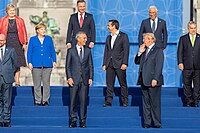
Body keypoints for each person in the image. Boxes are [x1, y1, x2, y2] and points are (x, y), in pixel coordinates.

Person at [135, 33, 164, 128]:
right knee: (146, 103)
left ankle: (156, 122)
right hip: (143, 80)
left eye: (145, 39)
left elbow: (159, 66)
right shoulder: (144, 50)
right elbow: (137, 62)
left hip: (153, 80)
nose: (143, 41)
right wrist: (140, 52)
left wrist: (155, 78)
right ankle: (147, 122)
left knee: (154, 103)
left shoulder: (158, 50)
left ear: (151, 40)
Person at [66, 31, 94, 128]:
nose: (85, 40)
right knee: (73, 101)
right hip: (74, 80)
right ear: (78, 39)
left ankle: (82, 120)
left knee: (83, 101)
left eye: (85, 38)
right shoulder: (71, 51)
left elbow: (90, 65)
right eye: (84, 38)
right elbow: (68, 66)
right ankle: (73, 120)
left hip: (85, 80)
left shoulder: (88, 51)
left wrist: (91, 77)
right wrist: (69, 77)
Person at [27, 23, 57, 106]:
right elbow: (29, 52)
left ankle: (45, 100)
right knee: (37, 83)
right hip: (36, 64)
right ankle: (37, 100)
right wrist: (29, 62)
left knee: (46, 83)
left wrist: (54, 60)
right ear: (37, 31)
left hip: (47, 64)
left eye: (44, 29)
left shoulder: (49, 39)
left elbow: (52, 51)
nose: (44, 31)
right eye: (41, 29)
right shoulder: (32, 39)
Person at [102, 20, 130, 107]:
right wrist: (104, 64)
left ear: (114, 26)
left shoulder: (123, 36)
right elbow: (106, 51)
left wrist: (125, 63)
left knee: (123, 83)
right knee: (109, 84)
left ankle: (124, 101)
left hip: (120, 63)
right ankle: (108, 101)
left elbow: (126, 51)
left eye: (109, 25)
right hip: (110, 64)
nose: (107, 27)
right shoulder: (108, 37)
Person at [0, 4, 28, 86]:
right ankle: (8, 79)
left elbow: (24, 31)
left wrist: (25, 43)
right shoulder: (2, 20)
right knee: (7, 61)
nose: (12, 12)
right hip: (7, 41)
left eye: (13, 10)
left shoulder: (20, 20)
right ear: (7, 11)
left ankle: (17, 81)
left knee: (17, 62)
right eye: (10, 10)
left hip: (17, 41)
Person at [177, 21, 200, 107]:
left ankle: (196, 101)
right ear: (188, 29)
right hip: (186, 65)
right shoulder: (183, 39)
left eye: (194, 28)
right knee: (187, 84)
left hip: (198, 66)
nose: (193, 30)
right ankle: (189, 101)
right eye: (191, 28)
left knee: (197, 85)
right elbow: (180, 52)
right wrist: (180, 62)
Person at [0, 34, 18, 127]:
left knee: (7, 100)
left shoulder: (11, 50)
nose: (0, 42)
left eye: (2, 40)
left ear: (5, 41)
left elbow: (15, 64)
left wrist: (9, 72)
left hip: (7, 78)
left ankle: (6, 120)